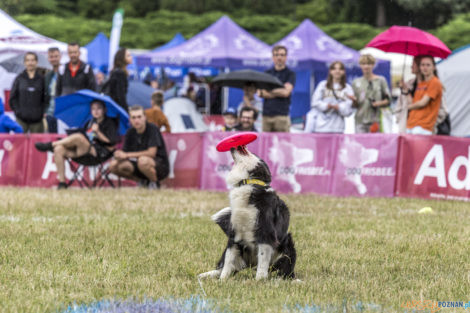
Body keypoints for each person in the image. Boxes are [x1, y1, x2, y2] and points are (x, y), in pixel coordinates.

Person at [35, 100, 118, 189]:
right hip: (84, 152)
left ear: (104, 110)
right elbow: (87, 137)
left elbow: (111, 142)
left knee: (79, 137)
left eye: (99, 108)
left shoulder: (110, 123)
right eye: (93, 109)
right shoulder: (89, 123)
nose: (96, 111)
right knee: (58, 149)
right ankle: (62, 183)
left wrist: (98, 132)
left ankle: (51, 144)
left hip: (98, 153)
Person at [109, 105, 169, 189]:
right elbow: (125, 153)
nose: (136, 120)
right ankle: (142, 182)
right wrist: (119, 155)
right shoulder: (130, 132)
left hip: (159, 165)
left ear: (145, 117)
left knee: (143, 161)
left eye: (139, 117)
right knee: (113, 166)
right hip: (138, 165)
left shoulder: (152, 128)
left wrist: (126, 155)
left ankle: (155, 184)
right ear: (130, 120)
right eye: (133, 118)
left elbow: (151, 153)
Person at [304, 61, 354, 133]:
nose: (337, 71)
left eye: (340, 69)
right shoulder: (322, 85)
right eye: (334, 69)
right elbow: (314, 102)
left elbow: (348, 111)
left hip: (338, 128)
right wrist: (327, 106)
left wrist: (339, 107)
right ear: (330, 71)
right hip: (321, 127)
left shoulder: (348, 88)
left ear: (344, 72)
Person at [258, 45, 296, 132]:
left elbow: (286, 93)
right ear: (273, 57)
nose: (279, 57)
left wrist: (269, 90)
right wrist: (280, 90)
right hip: (266, 115)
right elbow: (260, 93)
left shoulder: (290, 74)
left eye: (282, 55)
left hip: (282, 115)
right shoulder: (266, 73)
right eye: (276, 55)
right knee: (266, 144)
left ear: (286, 57)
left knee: (283, 144)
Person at [351, 54, 391, 133]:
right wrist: (353, 101)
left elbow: (388, 100)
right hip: (360, 120)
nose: (366, 66)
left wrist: (378, 103)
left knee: (375, 144)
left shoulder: (380, 80)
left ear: (373, 65)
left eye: (369, 64)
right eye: (363, 64)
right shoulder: (356, 82)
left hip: (375, 119)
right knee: (360, 143)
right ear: (360, 65)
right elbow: (354, 105)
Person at [9, 52, 47, 133]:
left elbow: (46, 98)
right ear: (24, 63)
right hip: (21, 120)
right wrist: (18, 112)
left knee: (37, 144)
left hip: (37, 121)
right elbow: (12, 98)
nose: (30, 63)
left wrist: (41, 112)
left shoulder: (41, 79)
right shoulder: (19, 78)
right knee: (19, 144)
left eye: (32, 60)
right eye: (28, 60)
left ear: (36, 62)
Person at [406, 55, 443, 135]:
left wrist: (406, 107)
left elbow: (423, 103)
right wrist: (406, 91)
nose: (425, 67)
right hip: (411, 124)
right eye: (422, 65)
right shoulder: (421, 83)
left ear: (434, 67)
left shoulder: (435, 82)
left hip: (423, 127)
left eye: (428, 65)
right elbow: (413, 102)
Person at [395, 56, 422, 134]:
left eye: (413, 64)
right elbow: (399, 104)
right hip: (405, 127)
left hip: (422, 128)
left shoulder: (430, 85)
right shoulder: (408, 83)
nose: (411, 66)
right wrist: (399, 119)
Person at [109, 48, 132, 112]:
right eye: (128, 55)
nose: (131, 57)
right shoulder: (120, 73)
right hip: (117, 109)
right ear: (122, 58)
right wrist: (126, 111)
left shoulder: (116, 71)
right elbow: (120, 96)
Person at [44, 47, 61, 133]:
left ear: (60, 57)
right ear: (48, 58)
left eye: (56, 56)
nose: (54, 59)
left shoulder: (65, 72)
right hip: (50, 113)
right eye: (51, 57)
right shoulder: (48, 76)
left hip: (62, 112)